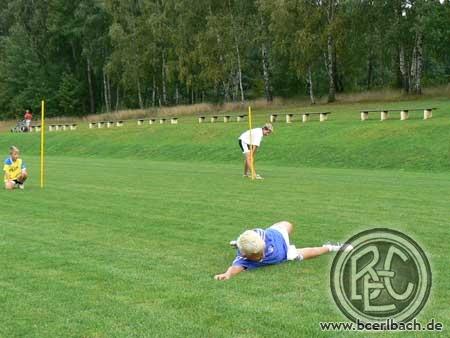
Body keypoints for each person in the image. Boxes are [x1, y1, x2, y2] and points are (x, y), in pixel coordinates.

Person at [214, 221, 352, 281]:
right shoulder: (244, 259)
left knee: (288, 224)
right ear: (247, 255)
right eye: (257, 255)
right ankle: (333, 247)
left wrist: (244, 242)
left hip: (279, 236)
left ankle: (237, 243)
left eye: (261, 251)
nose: (261, 255)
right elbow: (235, 267)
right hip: (287, 254)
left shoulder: (261, 236)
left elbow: (257, 233)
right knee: (311, 252)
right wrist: (227, 274)